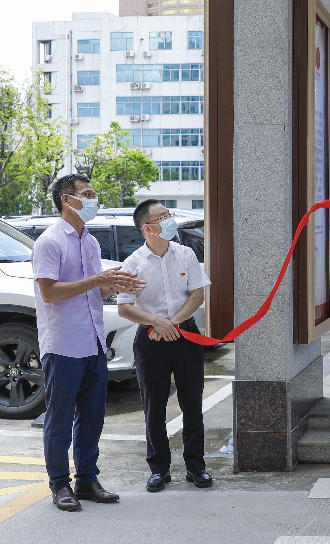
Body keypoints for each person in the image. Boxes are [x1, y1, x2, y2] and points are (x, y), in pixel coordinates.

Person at [32, 174, 144, 512]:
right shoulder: (50, 242)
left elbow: (97, 290)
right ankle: (59, 485)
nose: (95, 199)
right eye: (88, 194)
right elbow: (49, 293)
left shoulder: (90, 242)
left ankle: (86, 479)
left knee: (93, 416)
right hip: (63, 343)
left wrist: (117, 284)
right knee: (60, 418)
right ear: (68, 200)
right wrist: (98, 279)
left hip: (94, 341)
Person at [117, 199, 213, 492]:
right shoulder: (133, 263)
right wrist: (155, 323)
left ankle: (196, 466)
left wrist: (171, 323)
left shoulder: (185, 254)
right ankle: (159, 469)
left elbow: (197, 296)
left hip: (185, 335)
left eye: (169, 214)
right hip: (151, 340)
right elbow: (124, 307)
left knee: (192, 404)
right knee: (154, 406)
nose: (169, 219)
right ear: (147, 227)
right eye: (162, 216)